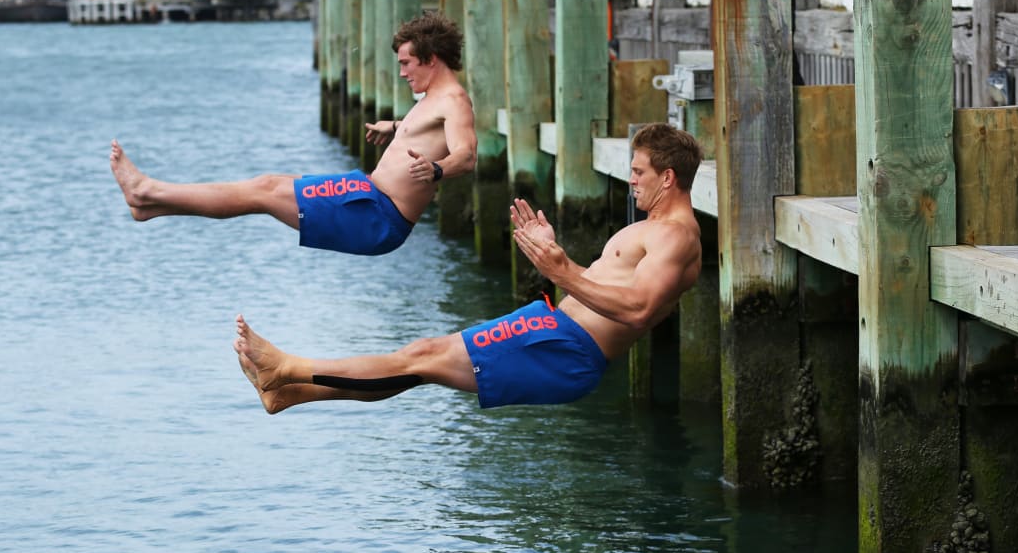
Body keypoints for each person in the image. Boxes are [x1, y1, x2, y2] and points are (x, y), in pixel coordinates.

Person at [232, 123, 703, 413]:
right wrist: (552, 258)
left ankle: (289, 369)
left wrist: (563, 272)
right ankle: (289, 392)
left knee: (422, 358)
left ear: (668, 177)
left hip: (566, 351)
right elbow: (608, 286)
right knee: (421, 363)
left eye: (639, 171)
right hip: (554, 330)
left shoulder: (676, 236)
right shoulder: (654, 226)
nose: (631, 179)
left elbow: (639, 310)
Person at [110, 12, 476, 256]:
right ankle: (150, 205)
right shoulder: (434, 99)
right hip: (368, 197)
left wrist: (438, 170)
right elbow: (431, 130)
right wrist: (395, 127)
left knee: (264, 191)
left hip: (377, 218)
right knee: (269, 184)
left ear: (431, 59)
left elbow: (467, 154)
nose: (402, 74)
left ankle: (147, 192)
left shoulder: (454, 99)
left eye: (406, 63)